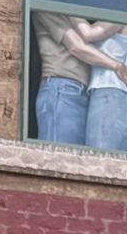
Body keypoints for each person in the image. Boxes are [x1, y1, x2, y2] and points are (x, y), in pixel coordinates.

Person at [71, 20, 127, 153]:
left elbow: (87, 33)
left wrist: (67, 7)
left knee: (98, 164)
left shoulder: (121, 16)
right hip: (114, 98)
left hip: (109, 98)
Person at [31, 10, 92, 145]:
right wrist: (116, 64)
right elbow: (77, 47)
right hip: (62, 89)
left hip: (78, 91)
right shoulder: (48, 7)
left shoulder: (69, 8)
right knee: (61, 158)